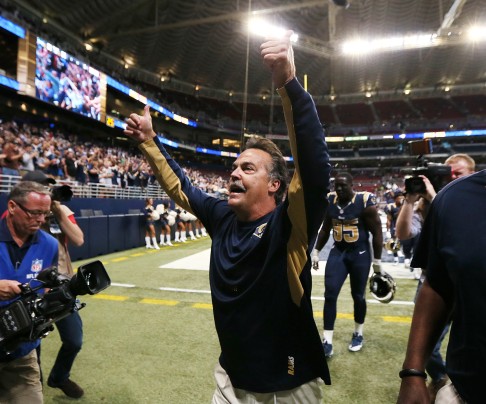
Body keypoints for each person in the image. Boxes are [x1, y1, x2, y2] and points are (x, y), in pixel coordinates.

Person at [125, 32, 332, 402]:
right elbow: (181, 187)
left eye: (248, 168)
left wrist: (288, 85)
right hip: (230, 378)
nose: (234, 173)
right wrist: (149, 142)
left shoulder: (291, 226)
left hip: (288, 384)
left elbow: (314, 166)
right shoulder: (222, 217)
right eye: (234, 167)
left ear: (275, 185)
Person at [396, 169, 486, 404]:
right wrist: (412, 372)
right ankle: (437, 379)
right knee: (434, 350)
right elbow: (438, 283)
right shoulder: (457, 198)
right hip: (468, 386)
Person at [21, 170, 86, 399]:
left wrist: (57, 211)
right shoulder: (20, 214)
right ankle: (33, 387)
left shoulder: (61, 210)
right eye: (41, 189)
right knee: (31, 346)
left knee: (74, 339)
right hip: (31, 288)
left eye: (49, 189)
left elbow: (78, 239)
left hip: (61, 285)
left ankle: (59, 376)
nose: (47, 193)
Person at [311, 172, 383, 358]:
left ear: (353, 185)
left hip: (359, 253)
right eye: (337, 185)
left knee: (358, 295)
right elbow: (326, 228)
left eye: (343, 185)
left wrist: (377, 262)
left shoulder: (365, 202)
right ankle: (327, 340)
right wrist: (316, 251)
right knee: (330, 294)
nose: (339, 189)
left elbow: (377, 233)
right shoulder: (330, 201)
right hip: (338, 252)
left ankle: (358, 333)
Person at [0, 181, 58, 403]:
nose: (41, 220)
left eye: (46, 213)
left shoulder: (50, 244)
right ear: (13, 206)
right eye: (35, 213)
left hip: (22, 351)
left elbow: (46, 287)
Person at [384, 191, 404, 265]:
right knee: (395, 243)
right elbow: (389, 219)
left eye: (402, 197)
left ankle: (408, 258)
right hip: (394, 226)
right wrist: (388, 230)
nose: (401, 199)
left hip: (404, 226)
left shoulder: (405, 205)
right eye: (400, 198)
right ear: (395, 199)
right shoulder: (391, 206)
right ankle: (396, 259)